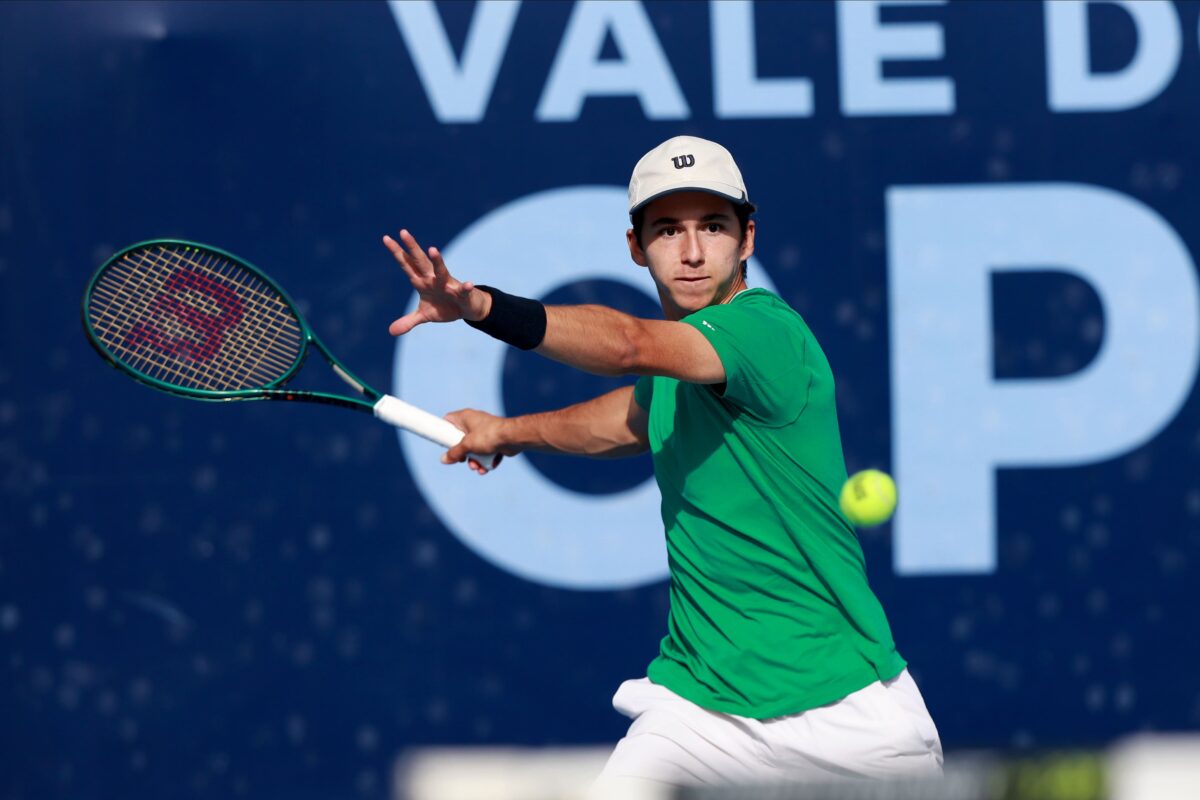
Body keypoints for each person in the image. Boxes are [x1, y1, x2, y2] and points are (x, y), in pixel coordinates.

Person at [382, 136, 943, 791]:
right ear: (635, 247)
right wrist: (506, 431)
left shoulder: (765, 333)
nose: (694, 251)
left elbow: (627, 347)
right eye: (668, 230)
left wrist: (479, 306)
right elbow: (631, 418)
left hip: (850, 718)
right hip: (698, 709)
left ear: (747, 239)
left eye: (713, 226)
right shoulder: (682, 364)